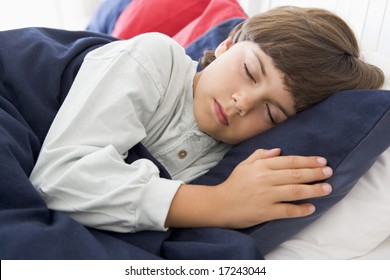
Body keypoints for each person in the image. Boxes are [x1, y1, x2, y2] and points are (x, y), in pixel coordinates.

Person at [30, 6, 384, 233]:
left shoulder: (228, 161)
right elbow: (59, 179)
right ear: (228, 45)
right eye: (249, 71)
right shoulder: (157, 58)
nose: (242, 103)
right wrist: (218, 204)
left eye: (272, 112)